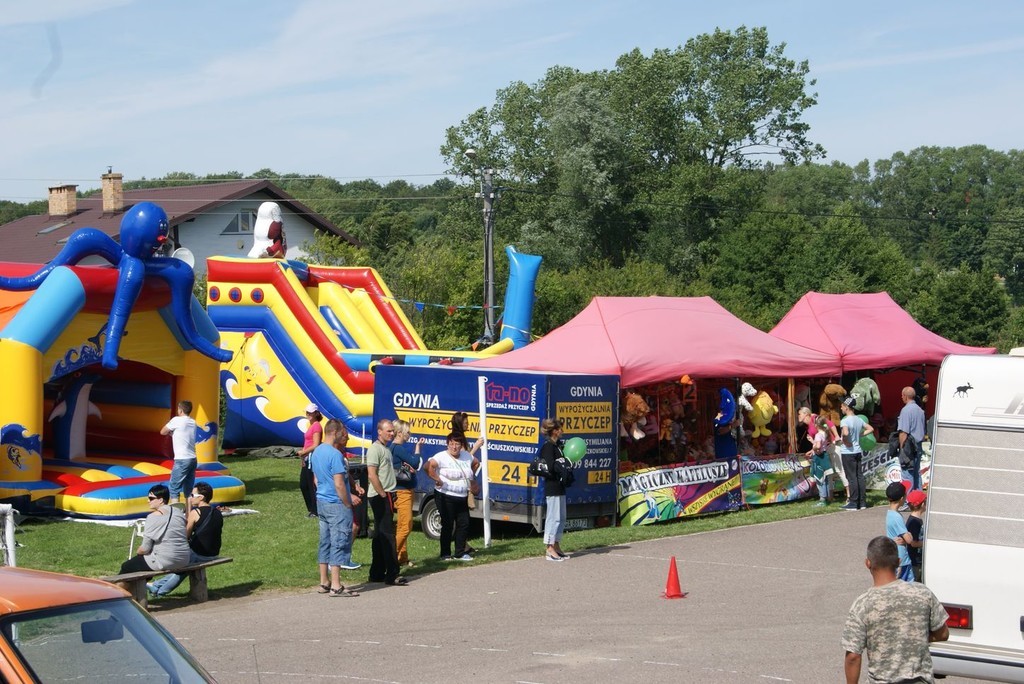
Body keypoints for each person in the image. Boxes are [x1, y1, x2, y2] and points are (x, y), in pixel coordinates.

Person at [842, 536, 949, 684]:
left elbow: (853, 657)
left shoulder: (862, 604)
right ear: (898, 562)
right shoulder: (922, 593)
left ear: (868, 563)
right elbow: (943, 634)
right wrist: (913, 637)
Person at [147, 481, 224, 598]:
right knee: (183, 567)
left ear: (201, 497)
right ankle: (157, 586)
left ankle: (160, 590)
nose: (190, 498)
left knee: (180, 565)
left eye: (192, 495)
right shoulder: (217, 512)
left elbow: (185, 536)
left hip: (199, 554)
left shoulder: (195, 512)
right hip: (213, 553)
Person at [310, 419, 360, 597]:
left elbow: (316, 480)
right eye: (343, 433)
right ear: (334, 432)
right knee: (339, 542)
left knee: (325, 541)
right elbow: (339, 483)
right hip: (336, 504)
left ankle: (324, 581)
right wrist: (347, 502)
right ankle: (336, 585)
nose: (345, 436)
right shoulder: (335, 455)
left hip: (322, 502)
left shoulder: (316, 452)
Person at [426, 432, 482, 562]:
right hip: (445, 495)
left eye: (457, 444)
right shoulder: (441, 456)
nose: (454, 447)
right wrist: (437, 479)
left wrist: (471, 479)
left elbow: (476, 463)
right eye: (451, 444)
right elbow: (427, 466)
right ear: (447, 444)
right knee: (448, 524)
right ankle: (445, 554)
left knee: (464, 523)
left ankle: (460, 553)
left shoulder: (467, 456)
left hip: (462, 495)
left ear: (461, 445)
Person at [366, 419, 405, 585]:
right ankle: (392, 574)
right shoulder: (375, 449)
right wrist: (382, 493)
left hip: (388, 493)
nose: (391, 433)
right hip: (380, 495)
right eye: (388, 431)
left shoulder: (386, 449)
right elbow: (371, 474)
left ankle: (376, 572)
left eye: (392, 431)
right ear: (379, 431)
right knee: (388, 534)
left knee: (380, 535)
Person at [119, 484, 191, 574]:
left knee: (126, 566)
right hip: (184, 558)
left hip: (165, 560)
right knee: (142, 566)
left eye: (151, 498)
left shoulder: (153, 517)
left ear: (161, 500)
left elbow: (145, 548)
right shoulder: (179, 513)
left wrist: (138, 552)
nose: (148, 501)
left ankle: (115, 584)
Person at [537, 418, 574, 561]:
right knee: (553, 517)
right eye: (559, 429)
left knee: (561, 517)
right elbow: (550, 466)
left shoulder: (558, 446)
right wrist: (561, 465)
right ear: (554, 431)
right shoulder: (548, 447)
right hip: (552, 486)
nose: (562, 431)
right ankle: (549, 547)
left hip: (560, 486)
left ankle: (557, 545)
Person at [390, 419, 423, 568]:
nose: (409, 434)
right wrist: (418, 449)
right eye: (407, 432)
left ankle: (401, 557)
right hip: (403, 491)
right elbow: (415, 462)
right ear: (399, 433)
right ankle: (390, 557)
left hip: (402, 489)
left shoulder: (392, 448)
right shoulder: (398, 448)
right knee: (406, 526)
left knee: (401, 525)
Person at [839, 396, 873, 511]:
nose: (841, 408)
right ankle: (862, 502)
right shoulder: (858, 419)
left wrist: (845, 440)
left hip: (848, 452)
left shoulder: (844, 420)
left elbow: (845, 432)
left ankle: (853, 502)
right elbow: (870, 428)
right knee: (859, 476)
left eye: (842, 406)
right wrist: (859, 435)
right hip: (858, 450)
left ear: (847, 407)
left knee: (851, 477)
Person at [161, 400, 197, 509]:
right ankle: (189, 512)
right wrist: (174, 434)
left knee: (174, 488)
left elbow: (162, 431)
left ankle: (175, 513)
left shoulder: (176, 420)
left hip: (182, 459)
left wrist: (170, 430)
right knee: (188, 489)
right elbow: (183, 435)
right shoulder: (193, 422)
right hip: (192, 458)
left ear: (180, 410)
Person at [898, 386, 927, 493]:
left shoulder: (906, 410)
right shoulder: (920, 411)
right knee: (916, 473)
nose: (901, 397)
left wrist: (901, 448)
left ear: (905, 396)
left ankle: (908, 499)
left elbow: (903, 432)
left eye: (902, 395)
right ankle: (918, 498)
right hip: (918, 445)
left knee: (907, 474)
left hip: (908, 446)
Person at [296, 404, 323, 518]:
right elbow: (308, 443)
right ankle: (312, 509)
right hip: (307, 457)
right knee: (304, 484)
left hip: (312, 457)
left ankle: (315, 510)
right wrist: (303, 456)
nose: (308, 414)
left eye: (310, 412)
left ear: (316, 413)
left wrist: (303, 452)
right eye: (307, 412)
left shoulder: (316, 426)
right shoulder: (311, 426)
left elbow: (316, 444)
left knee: (310, 485)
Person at [885, 482, 915, 582]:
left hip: (894, 556)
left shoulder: (890, 514)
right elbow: (909, 540)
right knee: (906, 585)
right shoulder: (896, 517)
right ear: (902, 498)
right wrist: (909, 534)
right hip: (902, 559)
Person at [807, 416, 832, 507]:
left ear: (816, 425)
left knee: (820, 478)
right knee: (825, 478)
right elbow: (821, 444)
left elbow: (818, 446)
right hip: (824, 456)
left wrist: (813, 448)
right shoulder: (825, 433)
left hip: (819, 458)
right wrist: (812, 441)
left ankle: (822, 499)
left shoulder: (818, 435)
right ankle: (826, 497)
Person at [906, 489, 927, 582]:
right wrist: (926, 543)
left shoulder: (916, 519)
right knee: (916, 581)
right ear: (922, 505)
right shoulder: (914, 522)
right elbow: (913, 543)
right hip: (915, 559)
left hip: (917, 558)